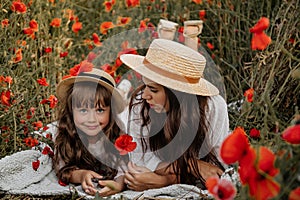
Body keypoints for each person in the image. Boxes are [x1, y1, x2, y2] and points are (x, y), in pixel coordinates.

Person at [119, 38, 230, 191]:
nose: (145, 95)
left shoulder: (214, 108)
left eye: (154, 89)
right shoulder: (141, 106)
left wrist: (166, 180)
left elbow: (216, 169)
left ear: (178, 93)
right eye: (145, 85)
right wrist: (190, 166)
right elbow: (141, 160)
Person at [53, 68, 126, 197]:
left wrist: (119, 184)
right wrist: (81, 175)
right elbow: (62, 167)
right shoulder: (64, 133)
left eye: (100, 110)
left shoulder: (118, 133)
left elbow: (124, 167)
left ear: (111, 111)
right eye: (83, 110)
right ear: (71, 111)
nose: (92, 119)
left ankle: (126, 90)